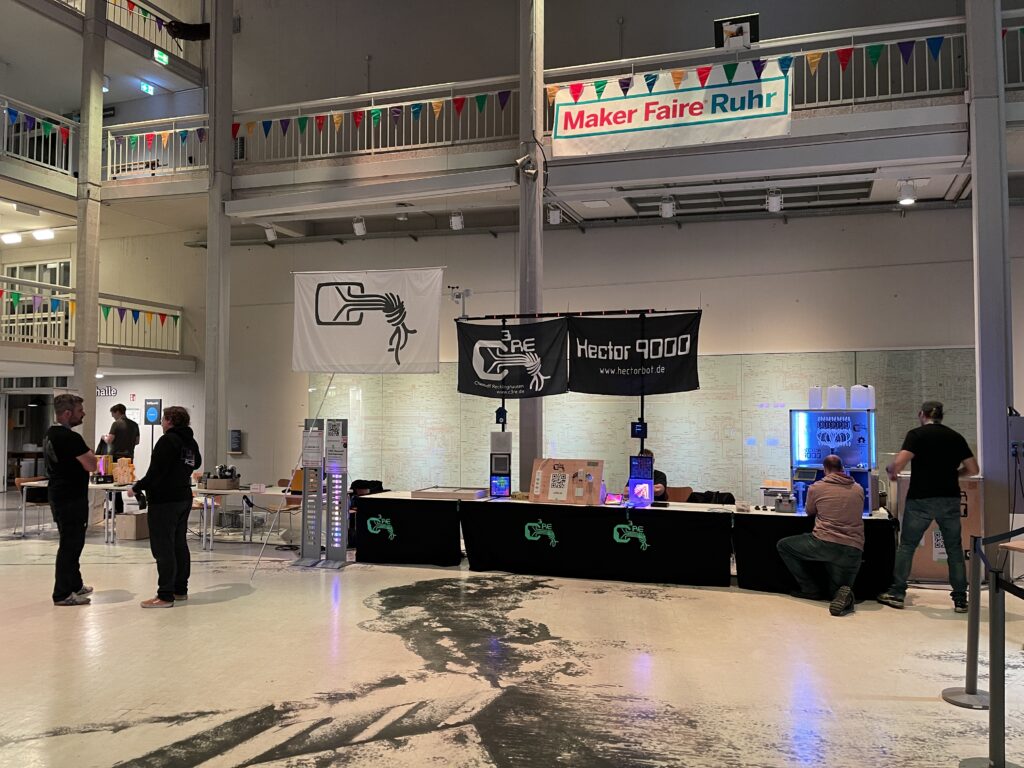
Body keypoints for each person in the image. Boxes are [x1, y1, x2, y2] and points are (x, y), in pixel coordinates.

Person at [877, 401, 979, 612]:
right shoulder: (955, 437)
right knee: (954, 550)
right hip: (949, 499)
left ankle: (897, 593)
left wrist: (892, 471)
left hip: (920, 499)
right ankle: (960, 599)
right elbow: (973, 468)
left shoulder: (916, 435)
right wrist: (954, 475)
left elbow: (899, 462)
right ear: (941, 416)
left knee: (907, 546)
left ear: (921, 414)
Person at [130, 406, 202, 609]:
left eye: (163, 419)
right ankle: (180, 589)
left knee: (163, 547)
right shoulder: (190, 441)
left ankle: (165, 595)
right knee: (179, 543)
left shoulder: (167, 440)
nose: (161, 423)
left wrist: (137, 486)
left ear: (170, 420)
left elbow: (155, 472)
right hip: (183, 497)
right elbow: (196, 464)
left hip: (164, 500)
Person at [776, 455, 865, 617]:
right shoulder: (858, 489)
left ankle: (810, 589)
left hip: (824, 543)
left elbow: (810, 511)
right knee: (836, 592)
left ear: (825, 470)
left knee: (784, 545)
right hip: (854, 548)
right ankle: (844, 594)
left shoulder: (816, 487)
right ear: (842, 469)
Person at [44, 393, 99, 606]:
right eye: (79, 410)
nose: (83, 413)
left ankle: (75, 584)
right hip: (70, 497)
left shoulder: (51, 433)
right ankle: (62, 593)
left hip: (59, 494)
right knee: (71, 544)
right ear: (67, 413)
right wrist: (90, 456)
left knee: (73, 541)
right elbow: (92, 464)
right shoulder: (70, 438)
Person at [105, 403, 140, 515]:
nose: (112, 416)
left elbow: (109, 440)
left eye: (113, 414)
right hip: (129, 457)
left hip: (116, 457)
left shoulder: (116, 424)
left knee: (114, 484)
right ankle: (139, 495)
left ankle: (117, 507)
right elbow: (137, 441)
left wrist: (103, 437)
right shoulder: (134, 425)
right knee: (126, 481)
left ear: (118, 412)